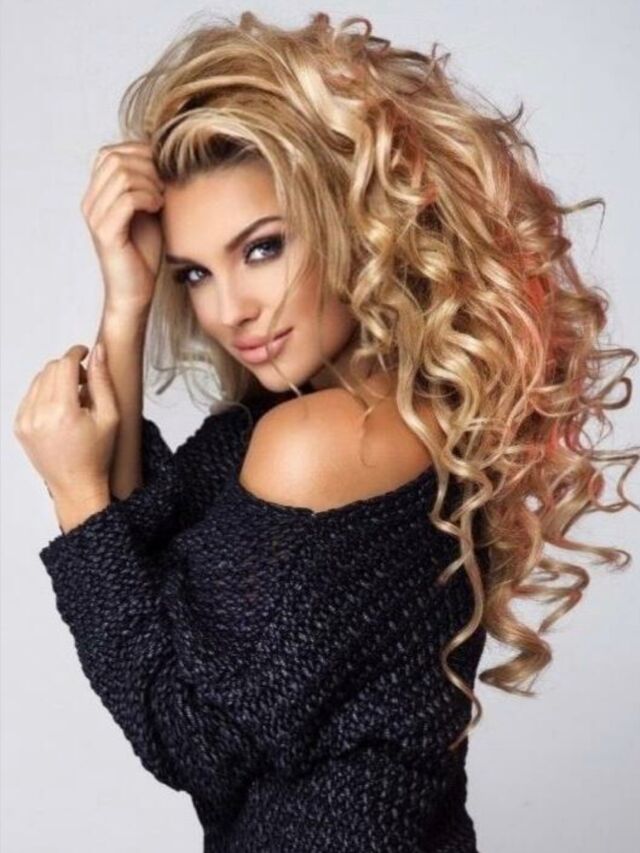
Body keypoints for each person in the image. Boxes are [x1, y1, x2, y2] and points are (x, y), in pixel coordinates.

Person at [14, 11, 638, 852]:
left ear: (351, 218)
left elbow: (187, 735)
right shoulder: (340, 412)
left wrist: (73, 494)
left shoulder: (326, 441)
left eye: (262, 248)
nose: (230, 309)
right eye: (194, 272)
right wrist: (126, 303)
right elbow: (148, 552)